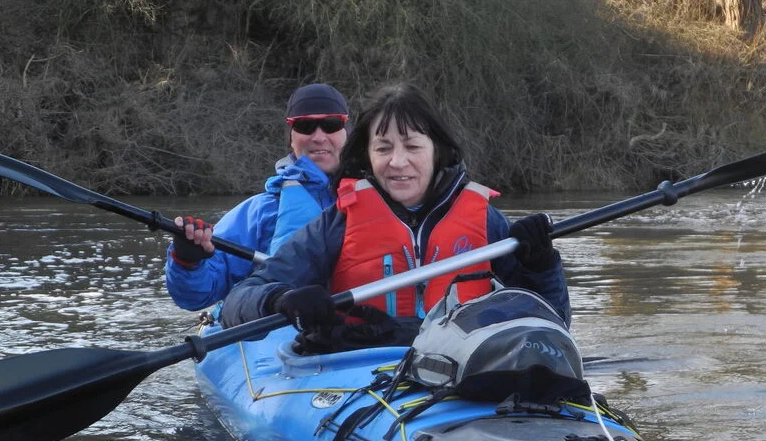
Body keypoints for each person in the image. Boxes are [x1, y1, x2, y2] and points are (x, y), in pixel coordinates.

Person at [219, 82, 569, 347]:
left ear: (437, 152)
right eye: (383, 148)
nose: (397, 162)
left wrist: (541, 267)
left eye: (413, 146)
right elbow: (240, 301)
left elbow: (552, 327)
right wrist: (280, 299)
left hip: (464, 369)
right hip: (364, 368)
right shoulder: (337, 223)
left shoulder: (487, 220)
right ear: (367, 157)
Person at [164, 83, 351, 311]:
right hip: (284, 332)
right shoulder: (259, 212)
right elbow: (195, 298)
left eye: (331, 125)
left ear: (347, 133)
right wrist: (187, 261)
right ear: (291, 138)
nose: (319, 137)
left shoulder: (386, 197)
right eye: (306, 126)